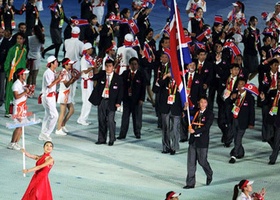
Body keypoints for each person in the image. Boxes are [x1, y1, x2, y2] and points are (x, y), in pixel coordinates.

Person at [88, 59, 123, 146]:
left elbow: (121, 91)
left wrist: (118, 102)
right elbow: (93, 77)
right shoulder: (102, 74)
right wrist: (91, 72)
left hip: (112, 102)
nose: (108, 68)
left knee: (110, 121)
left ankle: (111, 139)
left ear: (113, 67)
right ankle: (101, 139)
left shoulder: (118, 78)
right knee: (101, 120)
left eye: (110, 66)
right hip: (102, 100)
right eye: (106, 66)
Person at [183, 96, 214, 189]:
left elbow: (206, 127)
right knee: (191, 163)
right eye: (201, 102)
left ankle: (209, 173)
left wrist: (195, 131)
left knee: (202, 161)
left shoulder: (210, 114)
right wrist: (185, 109)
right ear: (198, 103)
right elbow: (187, 118)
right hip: (193, 141)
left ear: (207, 104)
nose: (203, 104)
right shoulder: (196, 112)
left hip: (202, 141)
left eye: (204, 102)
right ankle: (190, 183)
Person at [227, 78, 255, 164]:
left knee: (238, 138)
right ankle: (241, 152)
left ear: (246, 85)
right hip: (234, 119)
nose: (240, 86)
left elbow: (252, 111)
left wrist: (251, 123)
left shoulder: (250, 97)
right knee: (236, 138)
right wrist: (231, 97)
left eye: (242, 84)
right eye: (239, 84)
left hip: (243, 121)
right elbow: (226, 102)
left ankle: (234, 155)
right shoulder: (234, 94)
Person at [117, 57, 145, 140]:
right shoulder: (125, 73)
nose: (134, 66)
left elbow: (143, 88)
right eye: (132, 64)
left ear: (138, 65)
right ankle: (122, 134)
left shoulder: (141, 74)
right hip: (127, 100)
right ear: (129, 65)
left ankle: (137, 133)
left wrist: (142, 99)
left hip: (137, 100)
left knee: (137, 118)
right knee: (125, 118)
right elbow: (118, 81)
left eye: (135, 64)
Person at [39, 56, 63, 141]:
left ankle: (42, 133)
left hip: (52, 96)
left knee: (47, 115)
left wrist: (59, 78)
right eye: (56, 62)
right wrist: (58, 79)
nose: (57, 63)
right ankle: (46, 133)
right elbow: (49, 85)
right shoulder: (47, 73)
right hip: (47, 97)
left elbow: (55, 83)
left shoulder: (53, 71)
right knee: (54, 115)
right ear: (51, 63)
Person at [4, 32, 27, 118]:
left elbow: (24, 61)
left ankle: (17, 110)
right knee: (10, 92)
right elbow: (7, 61)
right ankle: (8, 110)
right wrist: (8, 73)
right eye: (17, 38)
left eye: (21, 39)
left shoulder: (24, 49)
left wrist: (24, 74)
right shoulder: (12, 49)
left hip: (20, 75)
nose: (19, 40)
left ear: (24, 40)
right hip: (12, 73)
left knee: (19, 91)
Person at [7, 68, 29, 150]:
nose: (25, 75)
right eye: (24, 74)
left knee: (22, 126)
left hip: (23, 107)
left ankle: (16, 142)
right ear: (20, 75)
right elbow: (16, 96)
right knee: (18, 126)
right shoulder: (15, 85)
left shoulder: (24, 83)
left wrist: (29, 92)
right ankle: (12, 143)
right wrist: (25, 92)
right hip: (17, 108)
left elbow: (24, 95)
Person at [55, 58, 79, 135]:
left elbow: (70, 83)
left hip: (67, 93)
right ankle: (58, 129)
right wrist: (73, 78)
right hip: (63, 93)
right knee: (63, 112)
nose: (71, 65)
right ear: (65, 65)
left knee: (71, 110)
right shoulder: (63, 73)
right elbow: (67, 84)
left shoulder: (68, 72)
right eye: (69, 64)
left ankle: (63, 124)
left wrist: (74, 78)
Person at [77, 43, 96, 126]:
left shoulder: (89, 58)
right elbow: (84, 71)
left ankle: (82, 118)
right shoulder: (84, 59)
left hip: (89, 81)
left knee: (87, 101)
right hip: (86, 81)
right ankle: (82, 119)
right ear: (87, 50)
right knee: (88, 101)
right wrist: (93, 67)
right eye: (90, 48)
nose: (92, 50)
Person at [64, 26, 84, 103]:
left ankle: (65, 96)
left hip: (67, 63)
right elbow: (81, 53)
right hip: (75, 63)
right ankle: (71, 99)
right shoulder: (80, 43)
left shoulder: (66, 41)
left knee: (66, 80)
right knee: (73, 82)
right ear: (79, 34)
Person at [26, 25, 45, 98]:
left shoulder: (29, 38)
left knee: (30, 74)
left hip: (30, 56)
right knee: (34, 76)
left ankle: (27, 90)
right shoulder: (42, 38)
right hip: (37, 57)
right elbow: (42, 49)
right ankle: (32, 92)